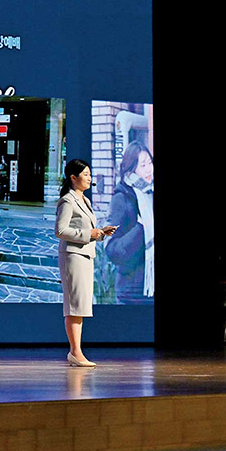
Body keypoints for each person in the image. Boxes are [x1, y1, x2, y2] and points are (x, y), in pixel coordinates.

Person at [55, 159, 116, 367]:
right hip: (73, 256)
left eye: (90, 174)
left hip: (86, 256)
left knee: (80, 305)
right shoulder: (67, 200)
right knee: (75, 305)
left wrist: (100, 233)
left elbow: (86, 230)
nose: (89, 178)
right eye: (86, 174)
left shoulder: (85, 200)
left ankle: (76, 351)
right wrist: (88, 233)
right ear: (73, 177)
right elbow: (60, 230)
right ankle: (75, 352)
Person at [104, 142, 155, 303]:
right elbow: (112, 250)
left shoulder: (151, 193)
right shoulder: (122, 199)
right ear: (131, 169)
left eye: (150, 163)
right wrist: (141, 227)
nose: (149, 169)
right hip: (133, 293)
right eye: (143, 165)